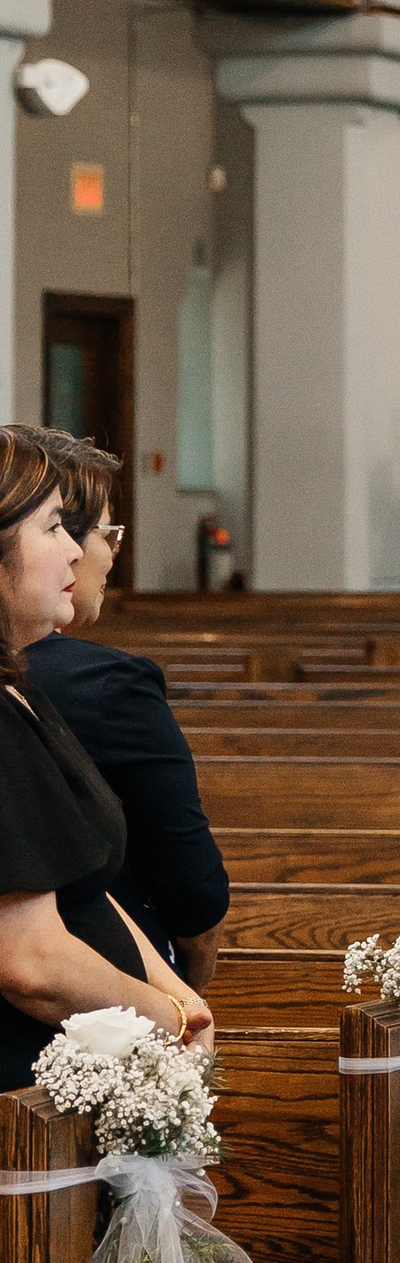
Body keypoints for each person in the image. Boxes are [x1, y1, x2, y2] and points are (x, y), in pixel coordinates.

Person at [0, 430, 214, 1094]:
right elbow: (29, 960)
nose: (77, 547)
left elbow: (84, 884)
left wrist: (180, 997)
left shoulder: (20, 690)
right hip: (24, 1098)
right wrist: (169, 1021)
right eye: (54, 527)